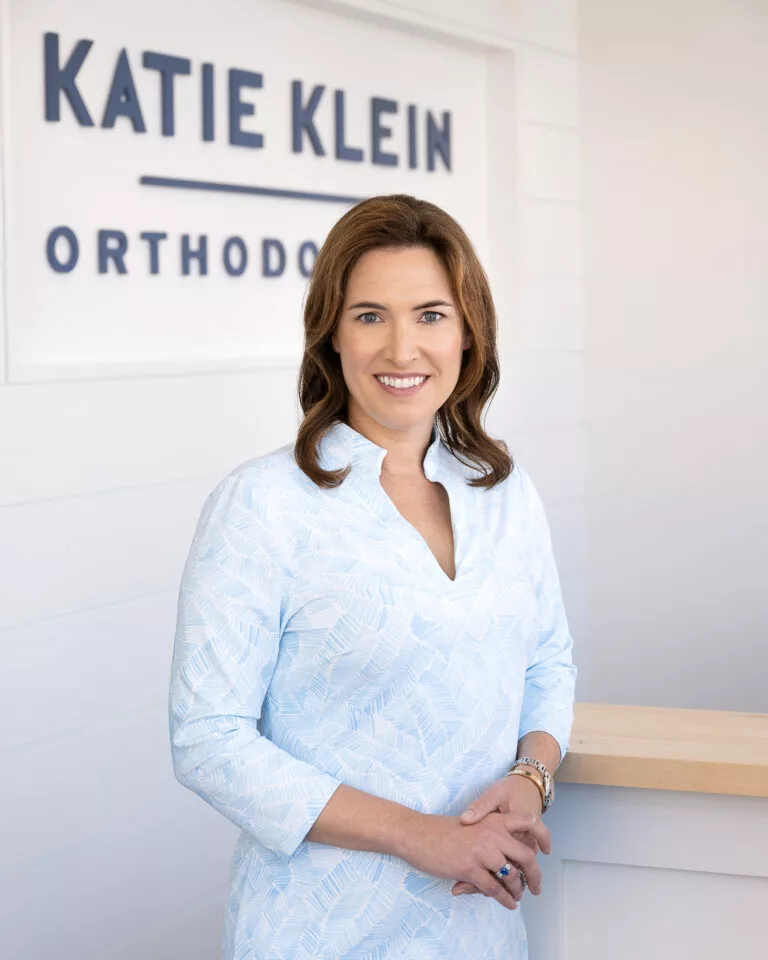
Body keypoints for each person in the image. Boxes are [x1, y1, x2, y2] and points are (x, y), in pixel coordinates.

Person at [168, 193, 577, 959]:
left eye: (429, 315)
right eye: (369, 316)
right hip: (321, 932)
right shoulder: (262, 504)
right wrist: (418, 837)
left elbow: (548, 660)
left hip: (482, 923)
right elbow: (208, 740)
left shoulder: (503, 491)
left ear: (467, 332)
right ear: (331, 334)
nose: (401, 348)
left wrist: (531, 776)